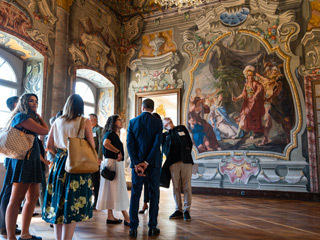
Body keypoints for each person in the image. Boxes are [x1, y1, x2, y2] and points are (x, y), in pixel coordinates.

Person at [42, 94, 94, 240]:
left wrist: (61, 154)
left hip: (58, 164)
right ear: (81, 106)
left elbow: (48, 146)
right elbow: (92, 145)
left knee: (58, 205)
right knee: (71, 206)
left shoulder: (57, 120)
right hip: (76, 165)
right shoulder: (85, 121)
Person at [4, 93, 49, 240]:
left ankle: (25, 234)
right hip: (24, 160)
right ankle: (11, 236)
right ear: (24, 102)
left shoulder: (29, 117)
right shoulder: (22, 117)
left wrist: (38, 117)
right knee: (16, 199)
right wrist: (40, 118)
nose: (34, 103)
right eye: (31, 101)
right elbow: (44, 130)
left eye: (36, 101)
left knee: (33, 196)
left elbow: (42, 130)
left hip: (32, 159)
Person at [127, 98, 163, 238]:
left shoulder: (133, 122)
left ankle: (133, 228)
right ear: (152, 109)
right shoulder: (157, 122)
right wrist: (147, 162)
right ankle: (152, 227)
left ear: (142, 107)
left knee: (135, 195)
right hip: (153, 164)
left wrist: (137, 163)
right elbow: (157, 144)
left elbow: (130, 144)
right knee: (154, 195)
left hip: (137, 166)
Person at [96, 114, 130, 226]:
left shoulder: (114, 134)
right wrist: (117, 151)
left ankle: (110, 216)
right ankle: (126, 217)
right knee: (117, 189)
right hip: (113, 163)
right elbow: (106, 144)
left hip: (112, 163)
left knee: (111, 190)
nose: (121, 121)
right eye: (119, 120)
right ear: (114, 122)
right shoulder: (110, 134)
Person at [161, 117, 194, 221]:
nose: (167, 121)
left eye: (168, 120)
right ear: (164, 125)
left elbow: (189, 142)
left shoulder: (181, 128)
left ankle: (187, 210)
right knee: (176, 187)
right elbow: (164, 148)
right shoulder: (165, 135)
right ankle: (178, 210)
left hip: (186, 161)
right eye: (165, 121)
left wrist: (186, 153)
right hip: (173, 163)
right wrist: (166, 129)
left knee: (187, 186)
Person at [0, 96, 21, 236]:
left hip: (11, 158)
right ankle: (4, 226)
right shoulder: (17, 118)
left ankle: (6, 225)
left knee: (8, 193)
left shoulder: (11, 118)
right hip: (14, 158)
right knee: (9, 194)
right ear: (15, 104)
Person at [232, 65, 265, 139]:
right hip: (247, 103)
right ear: (246, 76)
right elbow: (243, 94)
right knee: (243, 116)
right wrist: (237, 98)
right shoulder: (246, 84)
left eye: (251, 75)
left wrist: (255, 94)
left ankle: (251, 134)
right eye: (249, 75)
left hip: (254, 103)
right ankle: (238, 134)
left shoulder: (255, 83)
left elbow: (260, 88)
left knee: (250, 117)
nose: (250, 77)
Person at [139, 113, 161, 214]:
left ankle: (155, 205)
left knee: (155, 186)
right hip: (145, 160)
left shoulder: (158, 131)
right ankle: (145, 204)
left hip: (155, 160)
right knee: (145, 183)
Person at [88, 113, 103, 209]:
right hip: (87, 159)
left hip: (95, 158)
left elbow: (101, 144)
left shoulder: (99, 129)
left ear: (94, 120)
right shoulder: (87, 129)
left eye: (89, 119)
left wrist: (99, 157)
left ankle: (96, 201)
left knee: (95, 180)